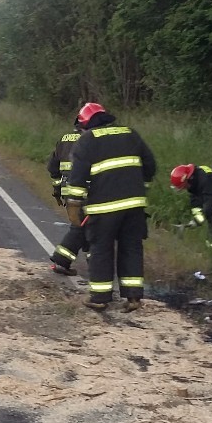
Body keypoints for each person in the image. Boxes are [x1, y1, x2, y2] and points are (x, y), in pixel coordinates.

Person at [63, 102, 156, 312]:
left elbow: (77, 179)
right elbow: (150, 165)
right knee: (131, 247)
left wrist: (74, 205)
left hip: (103, 208)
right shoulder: (130, 134)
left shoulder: (87, 141)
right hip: (134, 206)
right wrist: (142, 188)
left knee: (101, 249)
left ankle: (99, 297)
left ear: (86, 124)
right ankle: (133, 298)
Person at [46, 123, 86, 276]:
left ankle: (94, 264)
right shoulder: (90, 139)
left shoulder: (64, 139)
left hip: (68, 191)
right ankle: (61, 260)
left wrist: (57, 189)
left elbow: (53, 167)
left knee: (86, 225)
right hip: (84, 190)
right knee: (81, 226)